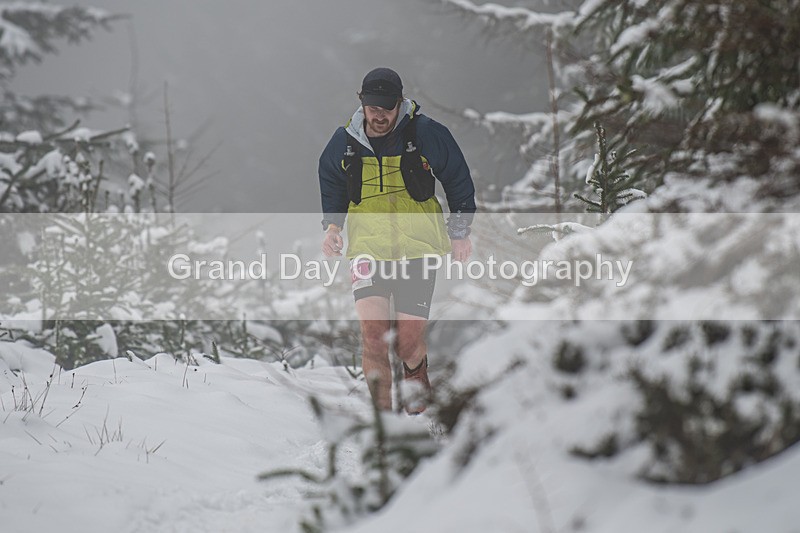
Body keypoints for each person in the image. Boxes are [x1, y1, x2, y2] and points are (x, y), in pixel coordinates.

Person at [318, 67, 476, 414]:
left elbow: (457, 178)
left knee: (407, 342)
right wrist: (333, 228)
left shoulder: (426, 133)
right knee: (373, 337)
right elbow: (331, 180)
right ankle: (383, 422)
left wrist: (460, 230)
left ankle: (418, 399)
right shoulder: (344, 141)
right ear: (362, 104)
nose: (379, 115)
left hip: (417, 249)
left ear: (399, 103)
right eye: (372, 108)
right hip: (366, 248)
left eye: (386, 108)